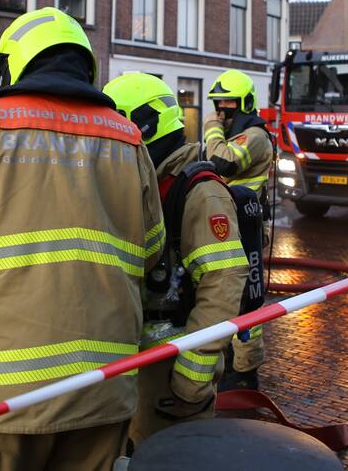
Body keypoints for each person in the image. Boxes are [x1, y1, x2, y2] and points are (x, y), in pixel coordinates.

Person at [0, 7, 165, 471]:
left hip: (2, 399)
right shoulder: (129, 139)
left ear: (11, 66)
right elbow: (153, 250)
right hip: (103, 391)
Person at [104, 73, 247, 446]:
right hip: (137, 367)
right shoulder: (146, 181)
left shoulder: (199, 194)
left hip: (173, 376)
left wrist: (191, 378)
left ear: (145, 127)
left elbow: (224, 281)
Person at [202, 70, 274, 391]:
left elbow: (224, 164)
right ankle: (232, 360)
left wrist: (211, 131)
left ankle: (245, 371)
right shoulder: (235, 134)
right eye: (217, 105)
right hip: (232, 224)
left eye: (227, 104)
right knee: (228, 296)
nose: (220, 112)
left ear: (244, 103)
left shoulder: (254, 136)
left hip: (248, 225)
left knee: (247, 299)